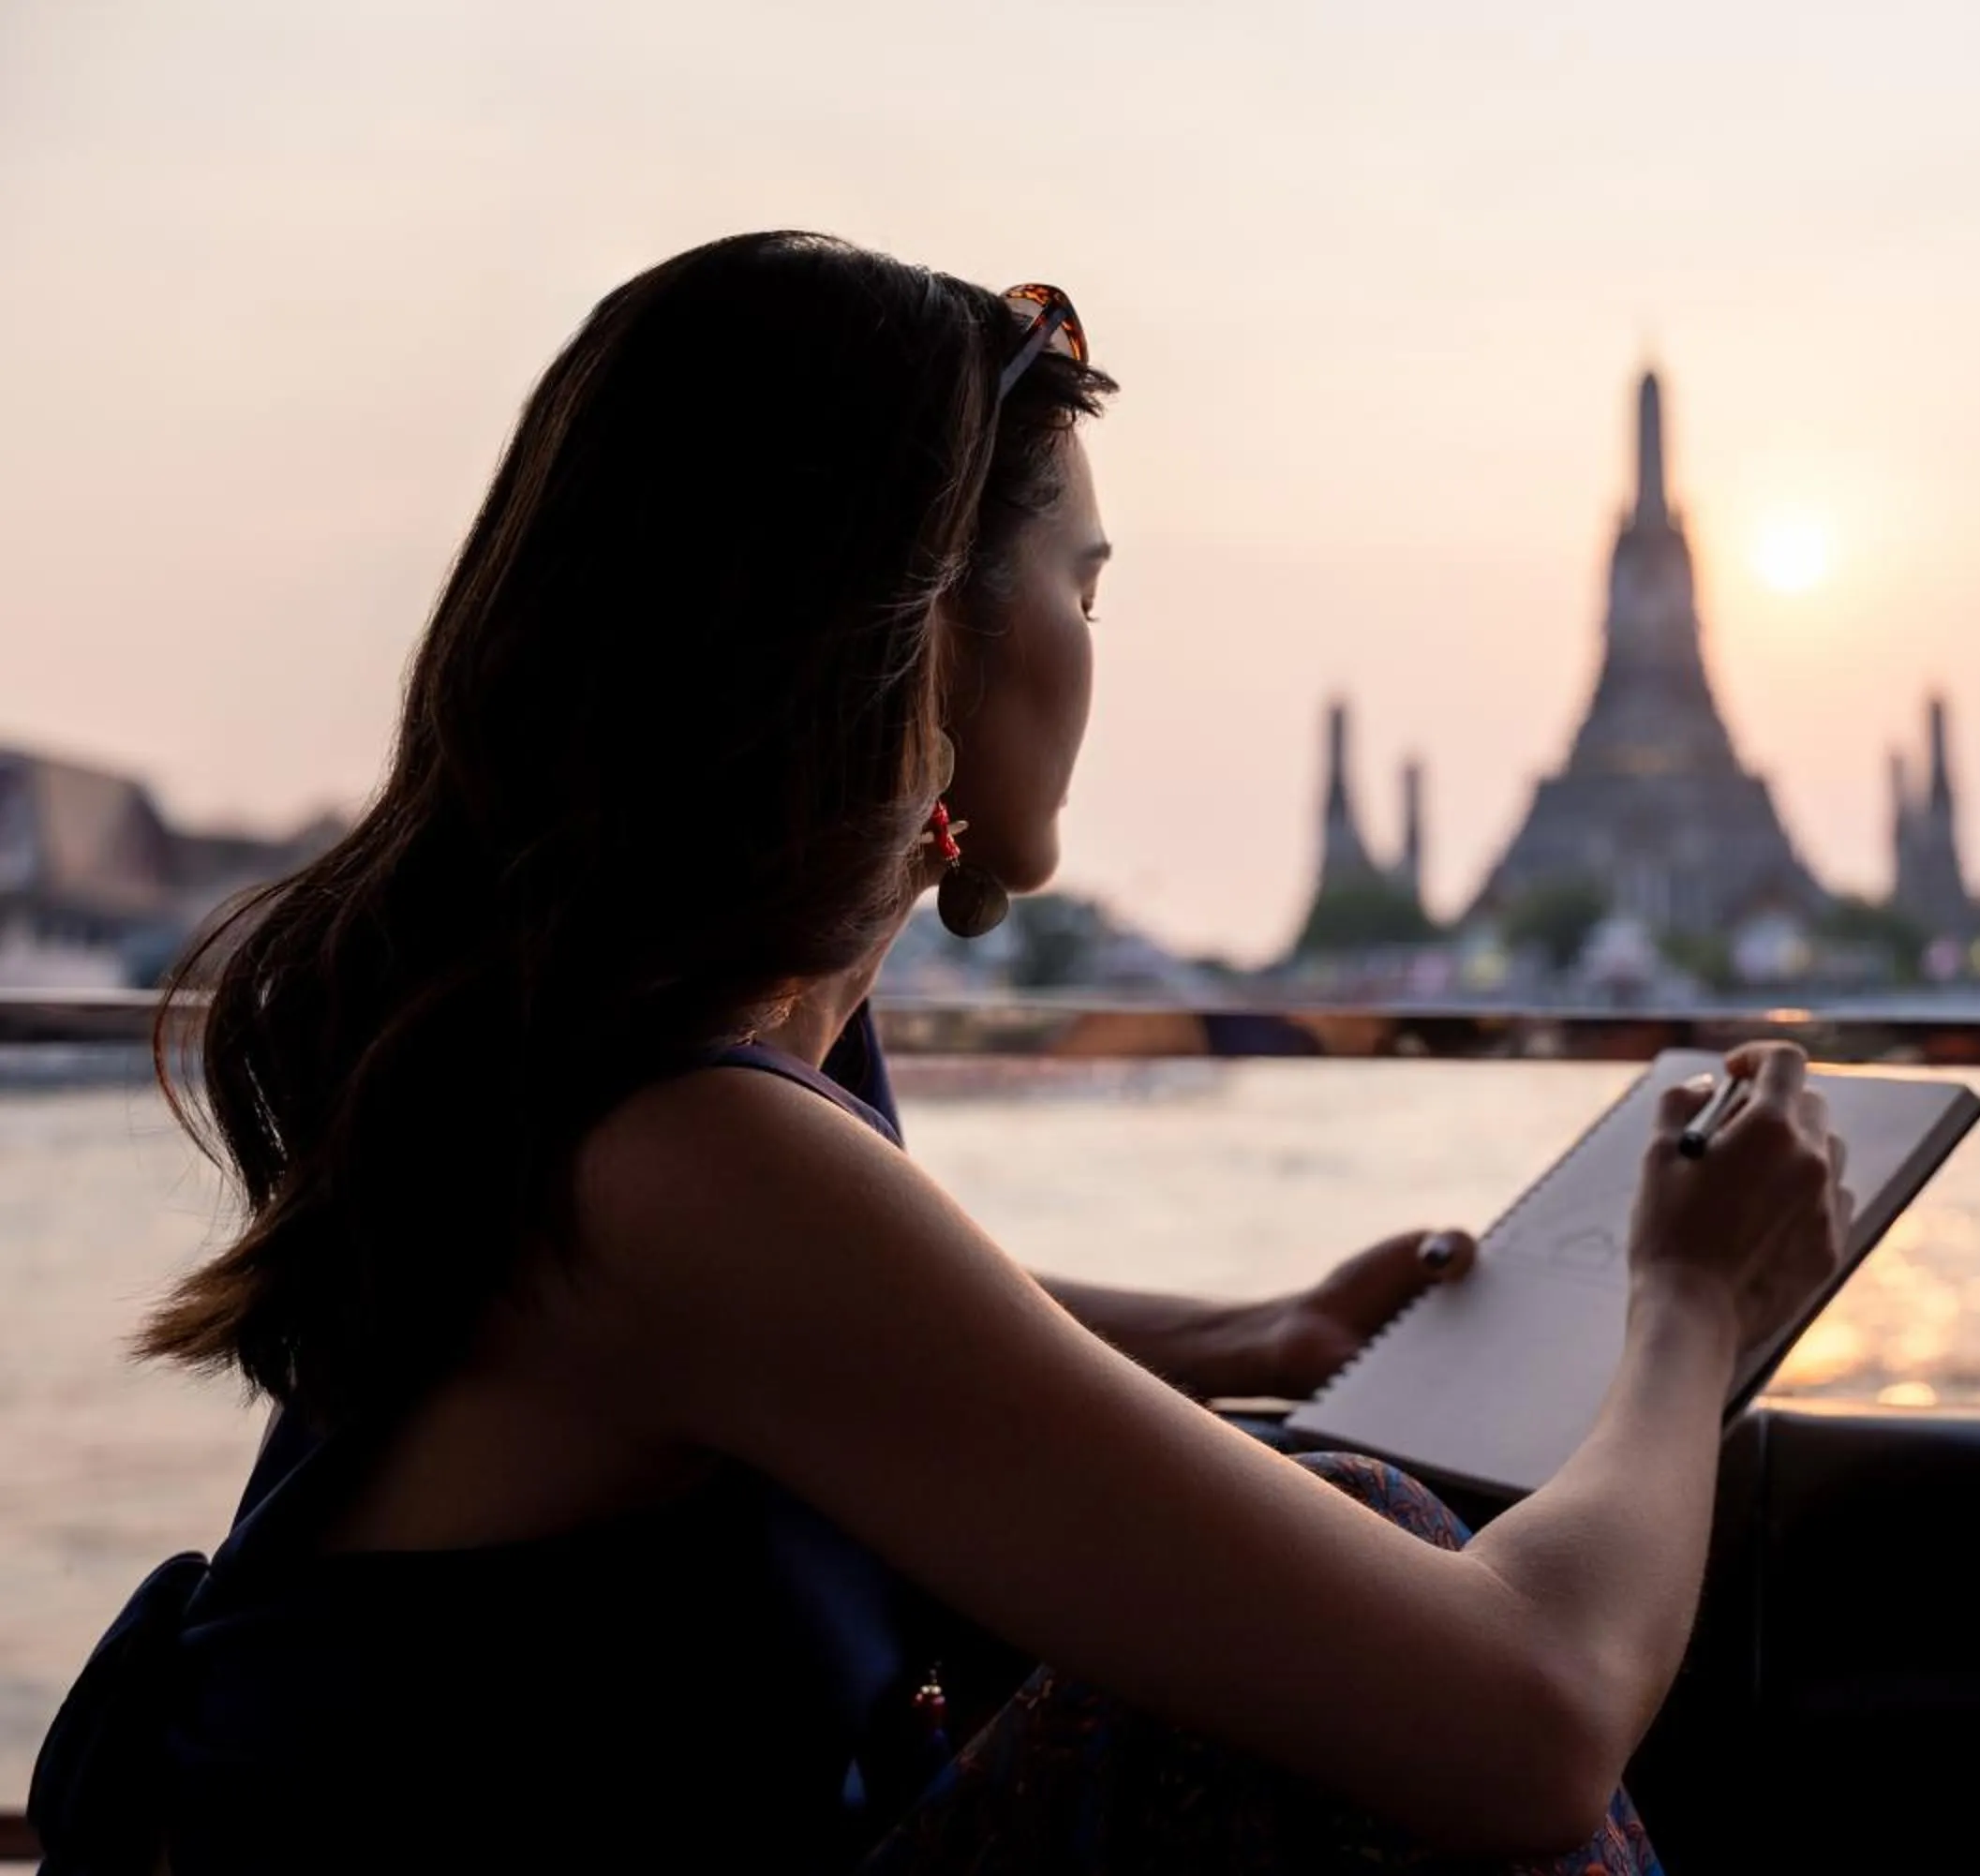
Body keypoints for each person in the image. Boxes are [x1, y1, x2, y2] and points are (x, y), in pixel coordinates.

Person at [29, 231, 1851, 1874]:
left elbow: (847, 1332)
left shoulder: (626, 1073)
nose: (1096, 654)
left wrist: (1258, 1332)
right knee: (1355, 1611)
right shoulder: (688, 1160)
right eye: (1085, 589)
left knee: (1336, 1517)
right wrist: (1687, 1303)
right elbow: (1530, 1722)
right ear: (933, 642)